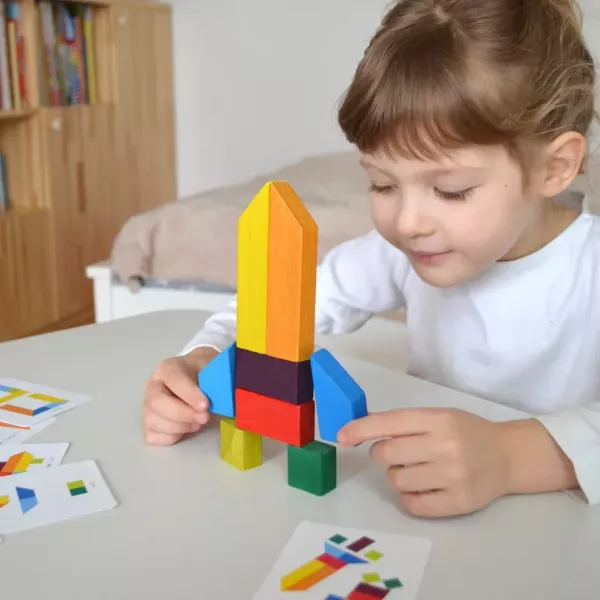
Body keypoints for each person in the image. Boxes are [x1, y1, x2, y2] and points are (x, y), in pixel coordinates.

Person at [142, 0, 600, 517]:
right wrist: (202, 360)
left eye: (450, 190)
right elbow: (270, 313)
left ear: (554, 168)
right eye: (382, 183)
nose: (408, 221)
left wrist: (511, 457)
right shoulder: (401, 253)